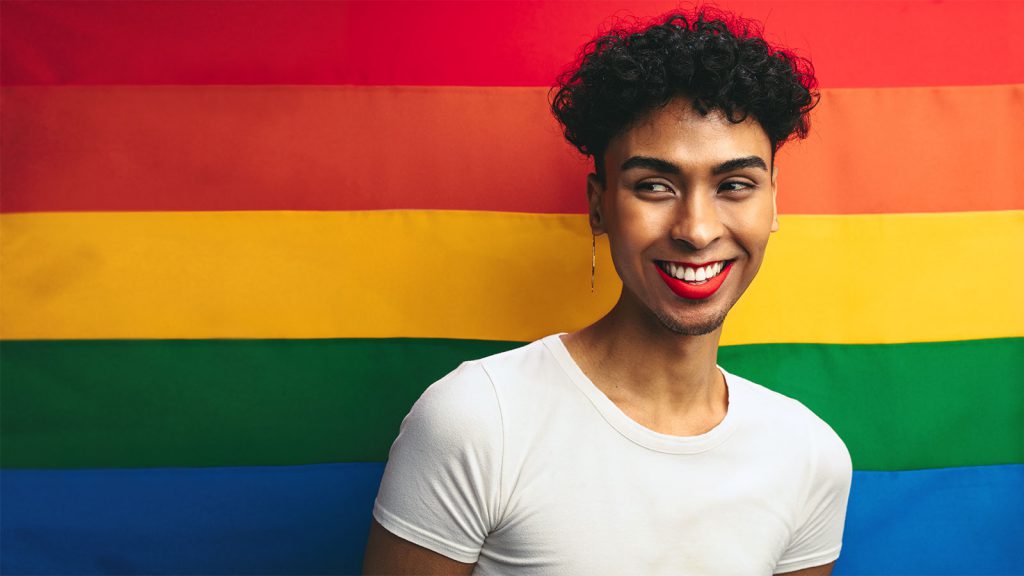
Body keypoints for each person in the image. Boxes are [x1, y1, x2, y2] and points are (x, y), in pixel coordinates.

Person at [364, 9, 852, 575]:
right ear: (598, 206)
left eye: (734, 185)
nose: (696, 229)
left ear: (772, 203)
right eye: (654, 186)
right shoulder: (478, 417)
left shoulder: (810, 456)